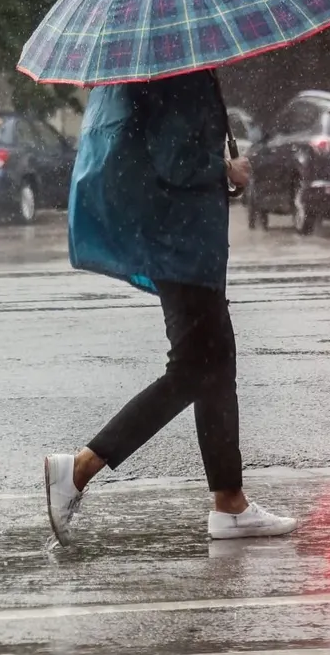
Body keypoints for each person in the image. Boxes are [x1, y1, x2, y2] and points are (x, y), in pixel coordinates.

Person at [44, 69, 298, 546]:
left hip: (177, 238)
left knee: (216, 363)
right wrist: (224, 169)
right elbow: (174, 160)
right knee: (195, 368)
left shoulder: (160, 69)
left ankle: (230, 504)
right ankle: (79, 467)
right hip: (181, 241)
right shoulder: (177, 74)